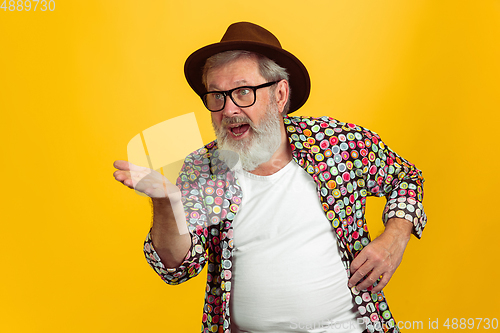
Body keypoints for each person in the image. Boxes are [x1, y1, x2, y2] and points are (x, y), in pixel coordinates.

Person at [113, 22, 426, 333]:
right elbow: (176, 266)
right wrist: (167, 203)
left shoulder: (336, 143)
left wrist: (394, 238)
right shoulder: (203, 168)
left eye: (243, 92)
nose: (228, 109)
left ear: (280, 94)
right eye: (217, 96)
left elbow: (405, 179)